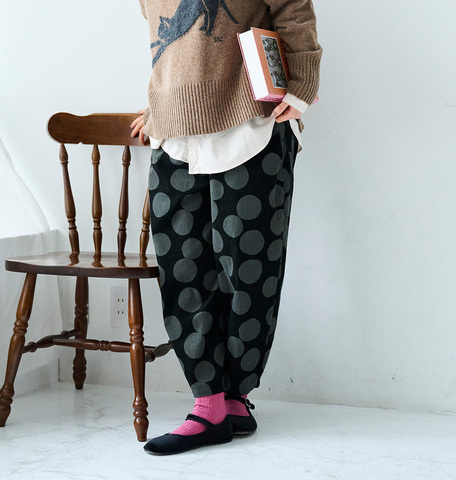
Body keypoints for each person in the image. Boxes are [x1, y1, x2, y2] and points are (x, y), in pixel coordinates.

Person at [131, 0, 322, 455]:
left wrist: (301, 87)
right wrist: (158, 104)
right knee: (183, 271)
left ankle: (233, 397)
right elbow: (170, 41)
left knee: (249, 270)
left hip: (251, 123)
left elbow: (295, 10)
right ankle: (210, 403)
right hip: (175, 131)